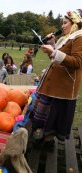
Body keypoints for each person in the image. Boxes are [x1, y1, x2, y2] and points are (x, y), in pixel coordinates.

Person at [31, 10, 82, 144]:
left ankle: (47, 143)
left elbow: (77, 62)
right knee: (43, 119)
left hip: (62, 88)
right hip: (52, 85)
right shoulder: (66, 38)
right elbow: (56, 59)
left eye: (65, 23)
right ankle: (42, 140)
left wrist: (53, 52)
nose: (62, 26)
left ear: (75, 24)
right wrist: (53, 45)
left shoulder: (79, 37)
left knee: (52, 121)